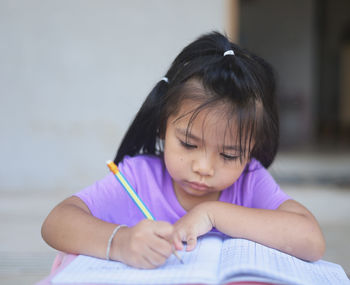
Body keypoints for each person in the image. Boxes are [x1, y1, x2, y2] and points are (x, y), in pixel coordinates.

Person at [41, 31, 325, 269]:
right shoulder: (139, 178)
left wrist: (212, 214)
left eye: (228, 155)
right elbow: (56, 223)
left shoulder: (249, 180)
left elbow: (311, 241)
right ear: (163, 126)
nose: (204, 167)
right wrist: (120, 242)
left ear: (252, 148)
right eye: (188, 144)